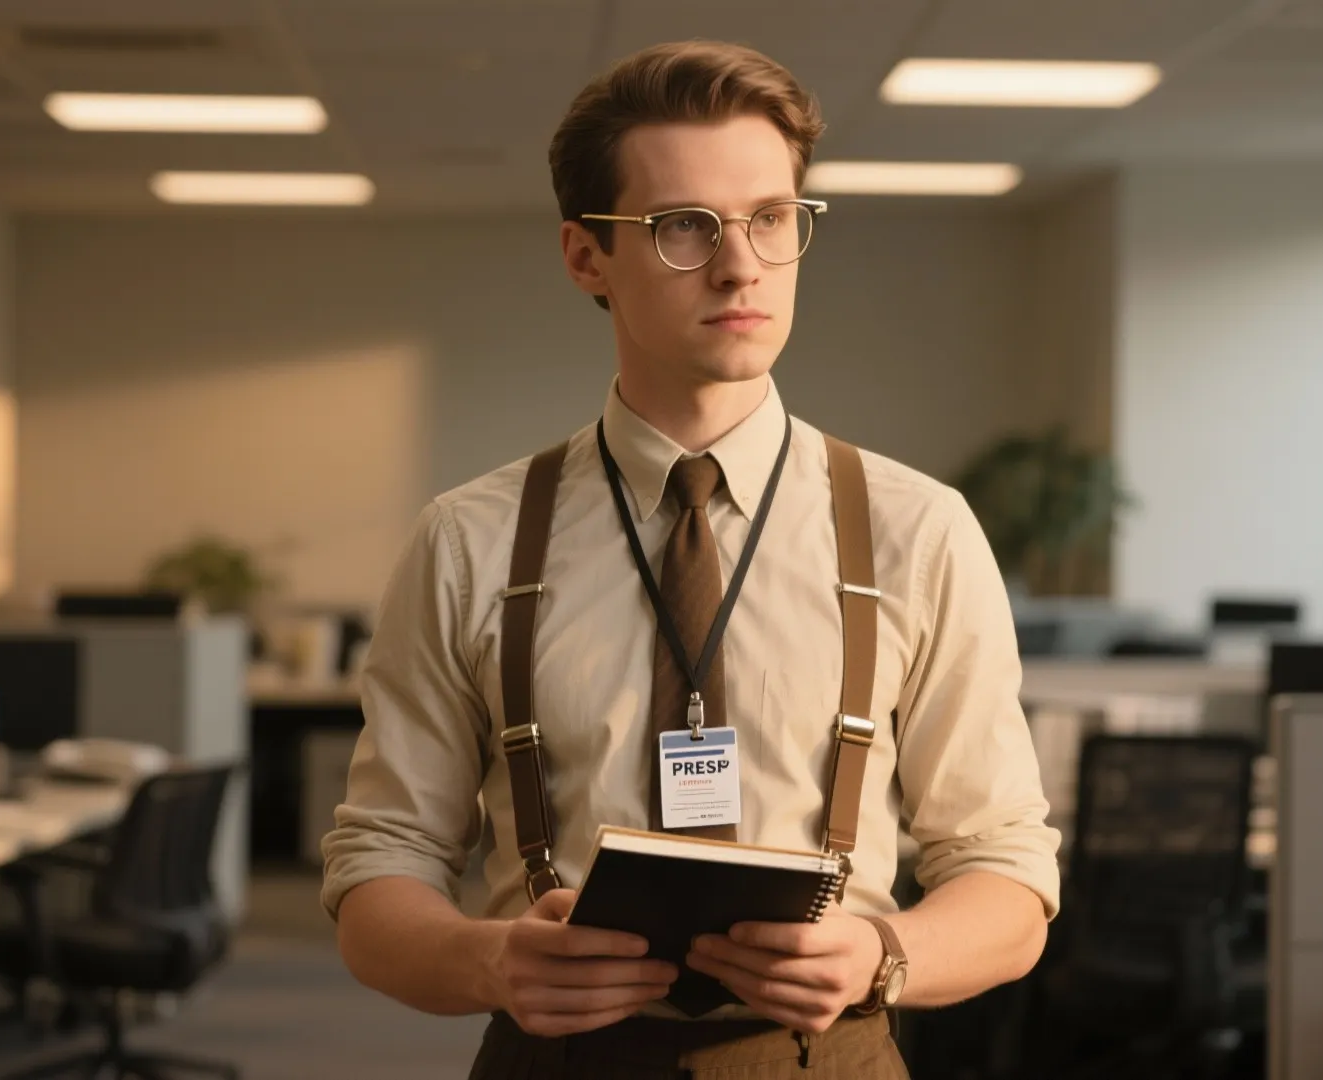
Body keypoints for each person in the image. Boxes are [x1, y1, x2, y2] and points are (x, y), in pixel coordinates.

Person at [323, 39, 1061, 1079]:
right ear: (587, 257)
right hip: (557, 1060)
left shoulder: (919, 530)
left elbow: (1008, 872)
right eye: (684, 227)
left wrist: (884, 952)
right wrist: (487, 959)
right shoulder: (469, 540)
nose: (740, 263)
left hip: (826, 1058)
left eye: (771, 218)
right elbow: (377, 867)